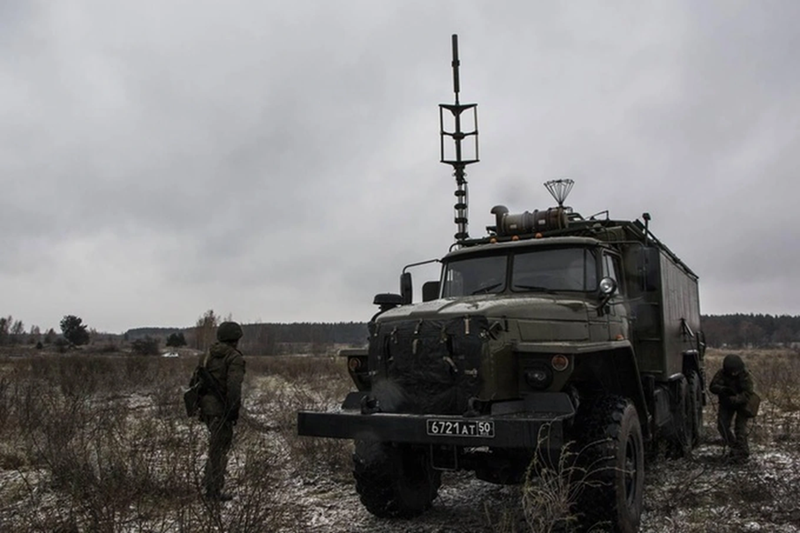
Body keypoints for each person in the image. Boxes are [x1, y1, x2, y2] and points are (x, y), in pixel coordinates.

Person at [196, 321, 246, 501]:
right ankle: (213, 491)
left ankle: (208, 482)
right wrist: (233, 411)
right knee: (219, 450)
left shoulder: (209, 354)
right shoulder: (234, 358)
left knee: (214, 446)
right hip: (221, 409)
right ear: (235, 338)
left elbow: (196, 380)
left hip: (207, 407)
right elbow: (234, 388)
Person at [708, 354, 754, 462]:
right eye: (731, 372)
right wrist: (723, 389)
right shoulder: (721, 374)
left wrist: (736, 398)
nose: (734, 374)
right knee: (722, 426)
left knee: (740, 429)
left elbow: (748, 393)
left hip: (742, 404)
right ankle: (734, 447)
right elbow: (712, 387)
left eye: (735, 371)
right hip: (726, 404)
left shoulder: (745, 376)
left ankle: (743, 452)